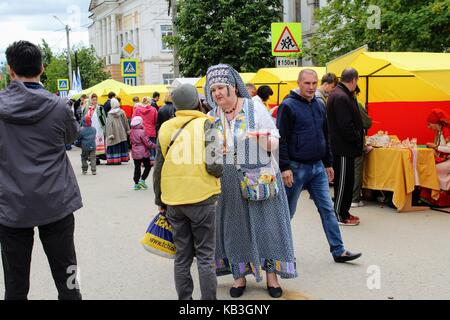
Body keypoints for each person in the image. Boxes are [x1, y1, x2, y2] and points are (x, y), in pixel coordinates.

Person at [205, 64, 297, 299]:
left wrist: (264, 141)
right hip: (228, 183)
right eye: (213, 89)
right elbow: (209, 155)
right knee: (235, 229)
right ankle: (239, 276)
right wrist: (214, 151)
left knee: (268, 227)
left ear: (233, 87)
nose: (217, 93)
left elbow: (274, 139)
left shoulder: (254, 107)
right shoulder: (211, 117)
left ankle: (272, 277)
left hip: (260, 177)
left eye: (221, 87)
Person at [0, 40, 82, 300]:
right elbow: (71, 137)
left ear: (10, 70)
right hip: (56, 201)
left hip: (11, 205)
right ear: (42, 68)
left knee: (15, 285)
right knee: (68, 280)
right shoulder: (59, 107)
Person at [277, 68, 362, 264]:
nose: (311, 87)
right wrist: (284, 167)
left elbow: (325, 135)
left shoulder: (319, 104)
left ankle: (339, 251)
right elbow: (281, 139)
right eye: (307, 83)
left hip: (317, 167)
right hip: (296, 168)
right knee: (287, 212)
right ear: (299, 83)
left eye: (314, 83)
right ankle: (282, 252)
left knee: (327, 209)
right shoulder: (288, 106)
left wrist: (328, 162)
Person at [153, 84, 223, 300]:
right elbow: (215, 166)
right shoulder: (208, 124)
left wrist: (160, 199)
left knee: (182, 256)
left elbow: (158, 167)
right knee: (204, 255)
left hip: (173, 199)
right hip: (202, 198)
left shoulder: (165, 127)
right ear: (197, 101)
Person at [327, 68, 364, 225]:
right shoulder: (341, 96)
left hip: (345, 146)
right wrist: (356, 139)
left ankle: (344, 212)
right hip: (343, 147)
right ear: (354, 80)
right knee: (343, 182)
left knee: (347, 181)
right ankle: (339, 215)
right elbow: (345, 125)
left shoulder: (340, 93)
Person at [352, 86, 373, 207]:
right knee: (356, 171)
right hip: (356, 142)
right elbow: (367, 123)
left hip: (342, 143)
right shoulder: (356, 104)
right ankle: (354, 198)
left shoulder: (334, 101)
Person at [426, 109, 450, 191]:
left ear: (435, 123)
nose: (428, 127)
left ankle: (441, 192)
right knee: (428, 165)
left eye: (429, 124)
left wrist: (435, 147)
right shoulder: (439, 132)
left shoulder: (447, 132)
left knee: (434, 168)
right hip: (445, 159)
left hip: (448, 160)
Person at [130, 116, 156, 190]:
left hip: (135, 151)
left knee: (137, 167)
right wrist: (155, 146)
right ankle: (142, 179)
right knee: (148, 166)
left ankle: (136, 184)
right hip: (143, 152)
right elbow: (147, 143)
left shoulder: (131, 131)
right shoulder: (142, 132)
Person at [83, 93, 107, 164]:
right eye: (93, 100)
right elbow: (83, 118)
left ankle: (97, 158)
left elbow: (103, 118)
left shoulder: (100, 108)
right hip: (90, 128)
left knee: (98, 143)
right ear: (90, 100)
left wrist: (104, 127)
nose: (95, 101)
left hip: (99, 128)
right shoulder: (87, 108)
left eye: (96, 100)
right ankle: (92, 158)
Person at [105, 98, 130, 165]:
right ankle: (122, 158)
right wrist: (127, 130)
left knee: (114, 144)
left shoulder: (110, 114)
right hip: (122, 131)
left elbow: (109, 125)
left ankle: (114, 160)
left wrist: (110, 134)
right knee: (121, 144)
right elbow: (126, 122)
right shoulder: (122, 112)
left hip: (114, 131)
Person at [133, 99, 158, 164]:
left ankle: (143, 161)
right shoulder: (154, 109)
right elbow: (156, 121)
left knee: (143, 146)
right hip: (151, 130)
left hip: (141, 131)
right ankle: (152, 160)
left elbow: (134, 119)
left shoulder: (137, 109)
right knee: (151, 145)